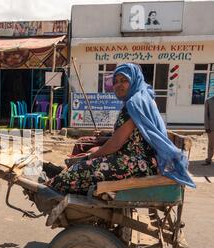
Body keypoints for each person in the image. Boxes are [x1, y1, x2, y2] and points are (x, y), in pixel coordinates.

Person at [44, 63, 195, 196]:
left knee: (81, 168)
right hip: (141, 160)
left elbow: (116, 144)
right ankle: (63, 179)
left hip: (137, 163)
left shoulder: (135, 104)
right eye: (116, 82)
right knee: (87, 156)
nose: (118, 85)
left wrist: (90, 158)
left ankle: (50, 189)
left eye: (124, 81)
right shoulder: (140, 98)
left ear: (134, 80)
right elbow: (131, 135)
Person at [203, 95, 214, 165]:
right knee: (211, 144)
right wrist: (207, 127)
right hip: (211, 127)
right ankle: (209, 159)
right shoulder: (208, 101)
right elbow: (206, 115)